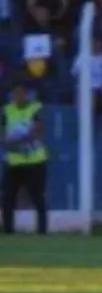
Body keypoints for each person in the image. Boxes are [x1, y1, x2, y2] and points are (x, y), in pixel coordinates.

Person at [2, 81, 50, 235]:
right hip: (14, 162)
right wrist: (7, 141)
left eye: (22, 93)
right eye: (15, 93)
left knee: (37, 198)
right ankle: (8, 230)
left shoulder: (35, 108)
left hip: (34, 161)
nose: (19, 97)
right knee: (7, 198)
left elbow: (38, 130)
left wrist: (19, 140)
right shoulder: (6, 111)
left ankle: (42, 231)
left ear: (27, 94)